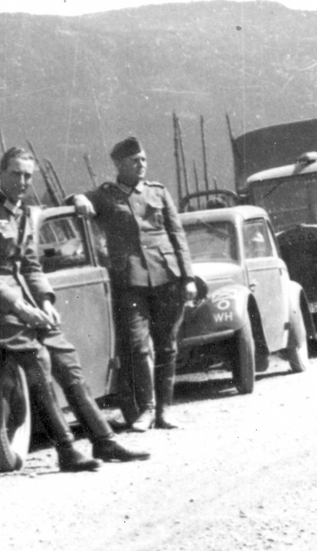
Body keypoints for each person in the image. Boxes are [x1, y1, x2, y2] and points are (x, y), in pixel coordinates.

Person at [0, 147, 148, 471]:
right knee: (38, 358)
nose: (22, 181)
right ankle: (66, 448)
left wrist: (45, 301)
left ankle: (103, 440)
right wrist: (19, 306)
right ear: (1, 173)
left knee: (65, 356)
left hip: (27, 308)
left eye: (27, 176)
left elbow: (31, 265)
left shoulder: (25, 213)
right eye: (15, 174)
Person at [71, 137, 195, 431]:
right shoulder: (105, 196)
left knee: (167, 347)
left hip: (167, 277)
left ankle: (165, 410)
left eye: (143, 159)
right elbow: (78, 200)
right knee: (139, 347)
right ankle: (147, 409)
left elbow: (178, 236)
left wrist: (188, 277)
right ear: (118, 164)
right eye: (134, 161)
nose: (141, 165)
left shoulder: (158, 192)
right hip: (130, 280)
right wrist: (77, 199)